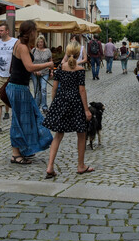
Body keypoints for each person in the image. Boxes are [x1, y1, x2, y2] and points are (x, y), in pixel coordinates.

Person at [5, 21, 56, 164]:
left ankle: (24, 148)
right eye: (35, 31)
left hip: (21, 87)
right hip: (17, 88)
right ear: (31, 32)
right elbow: (29, 67)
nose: (37, 34)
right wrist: (48, 64)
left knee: (31, 117)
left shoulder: (23, 45)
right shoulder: (21, 46)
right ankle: (16, 154)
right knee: (18, 120)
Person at [44, 42, 93, 177]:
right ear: (78, 54)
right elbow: (81, 90)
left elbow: (54, 88)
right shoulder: (80, 70)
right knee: (81, 133)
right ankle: (81, 165)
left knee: (58, 134)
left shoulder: (60, 68)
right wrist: (86, 110)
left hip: (62, 101)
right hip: (76, 103)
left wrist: (54, 103)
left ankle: (50, 166)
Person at [32, 36, 52, 113]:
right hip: (35, 73)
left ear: (44, 43)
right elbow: (30, 62)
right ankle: (36, 106)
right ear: (37, 42)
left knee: (43, 89)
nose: (40, 43)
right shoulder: (33, 50)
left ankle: (44, 106)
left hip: (44, 72)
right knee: (36, 90)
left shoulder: (48, 51)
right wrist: (34, 71)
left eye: (42, 42)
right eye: (39, 42)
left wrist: (52, 71)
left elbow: (50, 61)